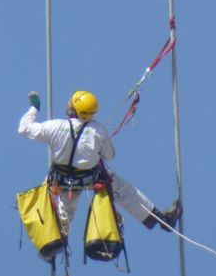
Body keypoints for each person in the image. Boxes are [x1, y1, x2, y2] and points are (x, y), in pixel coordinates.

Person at [18, 89, 180, 232]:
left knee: (65, 213)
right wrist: (96, 146)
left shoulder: (54, 127)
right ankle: (160, 220)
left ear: (73, 108)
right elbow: (109, 155)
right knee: (127, 192)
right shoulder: (98, 130)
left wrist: (34, 108)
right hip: (90, 179)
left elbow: (24, 129)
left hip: (61, 182)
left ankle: (54, 242)